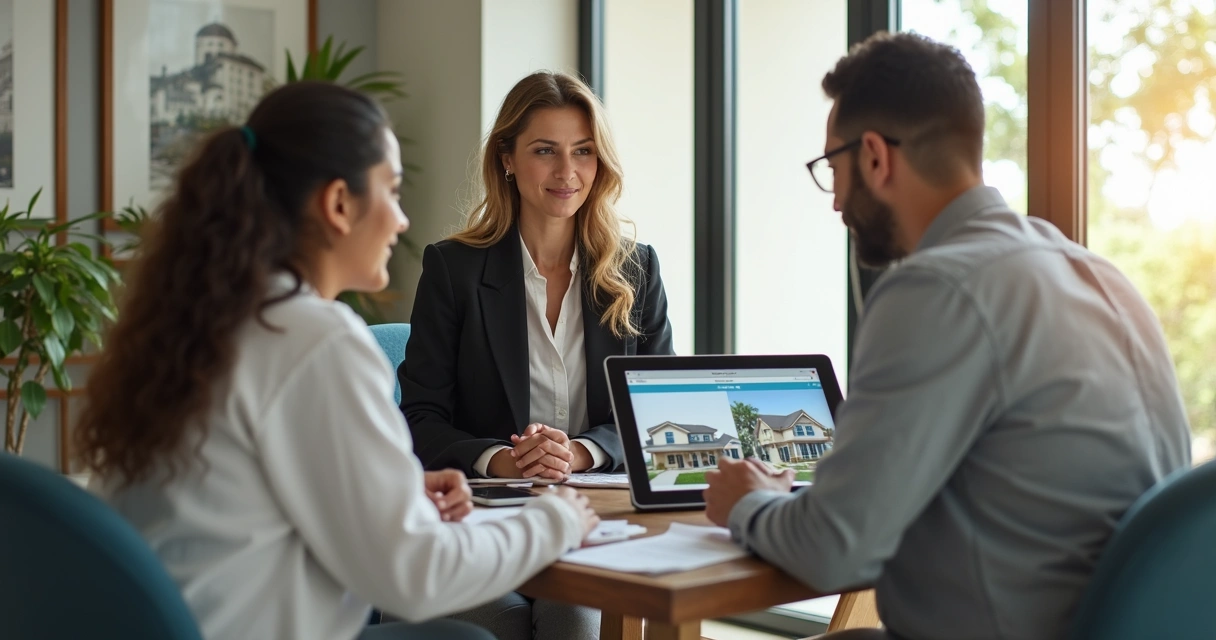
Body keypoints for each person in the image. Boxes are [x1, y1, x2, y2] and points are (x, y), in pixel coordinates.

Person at [703, 32, 1192, 640]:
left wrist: (746, 501)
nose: (834, 205)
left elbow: (833, 550)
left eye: (833, 168)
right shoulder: (1099, 275)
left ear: (876, 157)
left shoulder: (938, 289)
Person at [74, 81, 598, 640]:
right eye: (392, 192)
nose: (401, 220)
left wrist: (388, 493)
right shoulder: (317, 340)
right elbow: (416, 576)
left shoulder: (208, 324)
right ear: (339, 204)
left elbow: (238, 495)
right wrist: (558, 518)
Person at [398, 70, 674, 640]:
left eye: (583, 152)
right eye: (544, 151)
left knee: (574, 621)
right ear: (506, 158)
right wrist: (503, 459)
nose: (566, 172)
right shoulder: (453, 269)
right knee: (494, 624)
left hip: (594, 524)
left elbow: (655, 416)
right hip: (481, 523)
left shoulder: (636, 271)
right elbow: (420, 419)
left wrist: (580, 453)